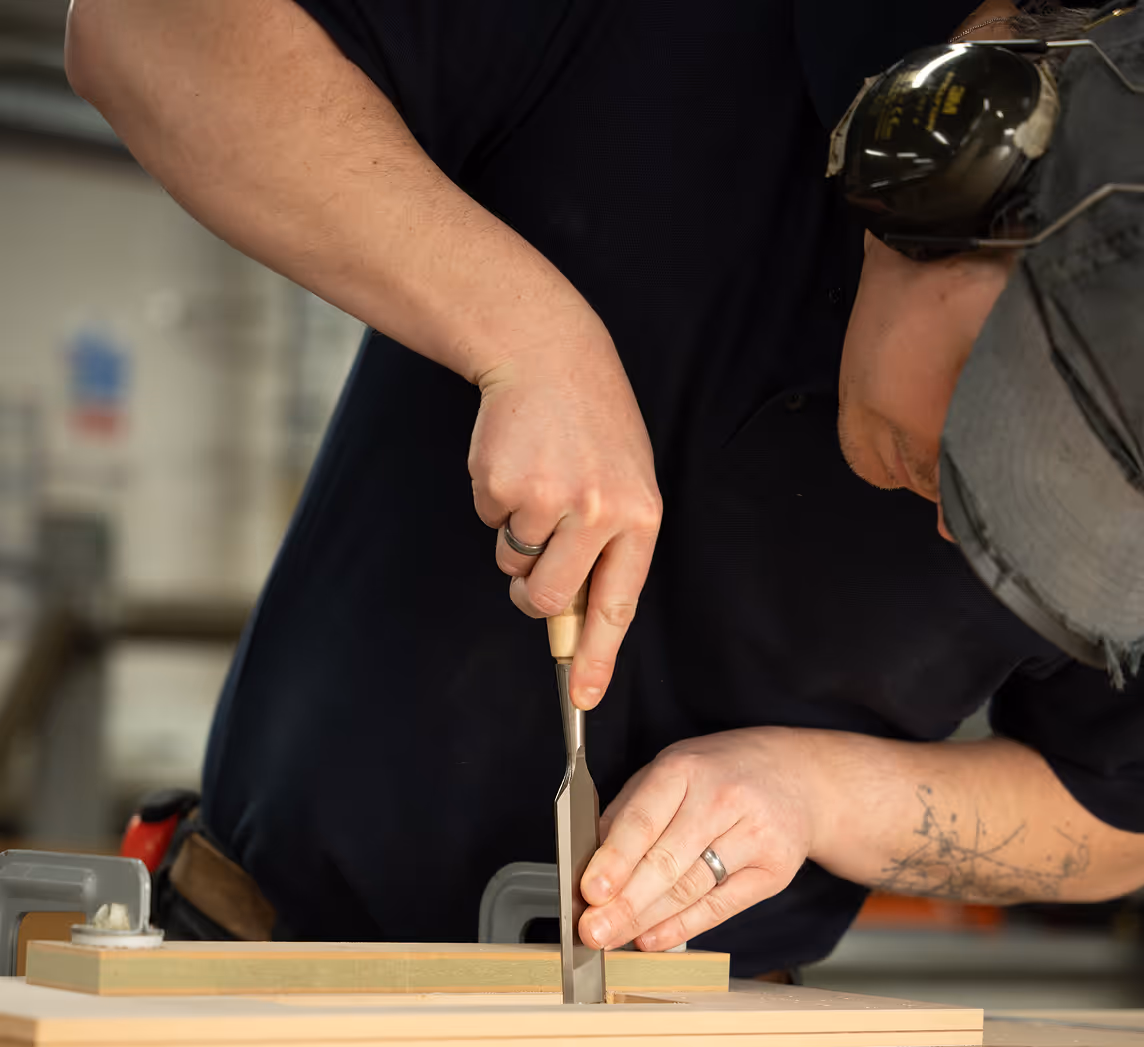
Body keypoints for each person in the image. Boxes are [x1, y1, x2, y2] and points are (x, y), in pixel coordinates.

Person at [66, 0, 1144, 975]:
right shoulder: (669, 32)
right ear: (947, 157)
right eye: (985, 432)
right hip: (254, 978)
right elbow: (145, 27)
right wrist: (526, 334)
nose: (967, 526)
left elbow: (1119, 816)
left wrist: (815, 793)